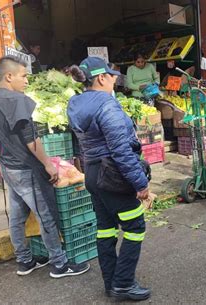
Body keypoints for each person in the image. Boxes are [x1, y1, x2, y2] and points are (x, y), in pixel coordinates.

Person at [0, 56, 90, 278]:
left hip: (8, 168)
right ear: (9, 76)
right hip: (25, 169)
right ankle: (59, 264)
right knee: (46, 215)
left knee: (17, 217)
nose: (27, 81)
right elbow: (32, 140)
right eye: (23, 76)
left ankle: (24, 261)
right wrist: (48, 164)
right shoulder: (16, 101)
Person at [67, 56, 151, 301]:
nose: (115, 80)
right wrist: (140, 184)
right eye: (112, 75)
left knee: (105, 229)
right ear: (101, 77)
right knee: (135, 227)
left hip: (93, 174)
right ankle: (123, 283)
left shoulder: (75, 104)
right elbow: (121, 150)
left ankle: (111, 284)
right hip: (113, 175)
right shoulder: (107, 105)